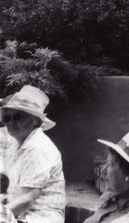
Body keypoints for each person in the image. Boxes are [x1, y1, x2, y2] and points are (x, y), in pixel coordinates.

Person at [1, 84, 66, 223]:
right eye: (7, 118)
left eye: (18, 117)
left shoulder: (37, 147)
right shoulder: (17, 142)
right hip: (19, 214)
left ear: (35, 120)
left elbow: (27, 200)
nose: (11, 123)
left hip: (40, 217)